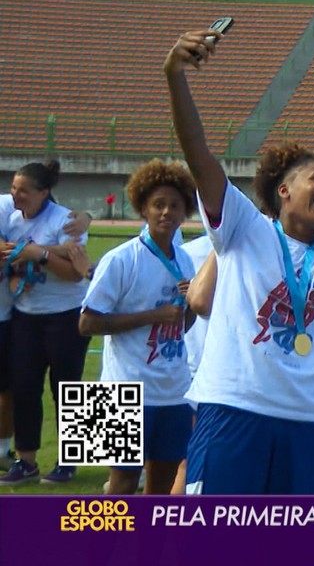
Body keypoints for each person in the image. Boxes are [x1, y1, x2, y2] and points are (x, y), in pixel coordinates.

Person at [164, 16, 314, 494]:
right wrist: (174, 76)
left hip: (309, 423)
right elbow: (199, 155)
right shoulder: (243, 227)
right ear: (283, 190)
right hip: (235, 410)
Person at [79, 160, 199, 495]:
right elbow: (86, 323)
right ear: (143, 208)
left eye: (175, 205)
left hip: (174, 391)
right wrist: (152, 316)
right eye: (158, 204)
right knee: (122, 483)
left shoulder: (185, 259)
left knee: (162, 485)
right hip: (122, 389)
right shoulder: (120, 259)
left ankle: (149, 550)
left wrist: (192, 305)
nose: (166, 212)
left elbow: (182, 325)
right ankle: (100, 550)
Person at [0, 160, 92, 485]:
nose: (16, 195)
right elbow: (13, 255)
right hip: (26, 316)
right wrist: (23, 258)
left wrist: (39, 254)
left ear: (44, 193)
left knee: (67, 391)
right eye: (13, 187)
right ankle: (26, 462)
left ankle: (68, 462)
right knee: (25, 388)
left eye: (23, 190)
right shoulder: (11, 218)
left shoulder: (64, 220)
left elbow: (75, 273)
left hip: (65, 315)